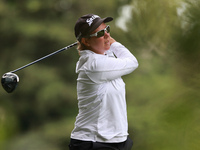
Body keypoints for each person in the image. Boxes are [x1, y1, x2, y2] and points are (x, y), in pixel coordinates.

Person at [69, 14, 139, 150]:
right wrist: (113, 43)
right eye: (100, 33)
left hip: (117, 140)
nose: (107, 35)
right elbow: (132, 62)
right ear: (86, 41)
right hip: (93, 141)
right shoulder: (94, 64)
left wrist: (107, 42)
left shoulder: (104, 58)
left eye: (107, 29)